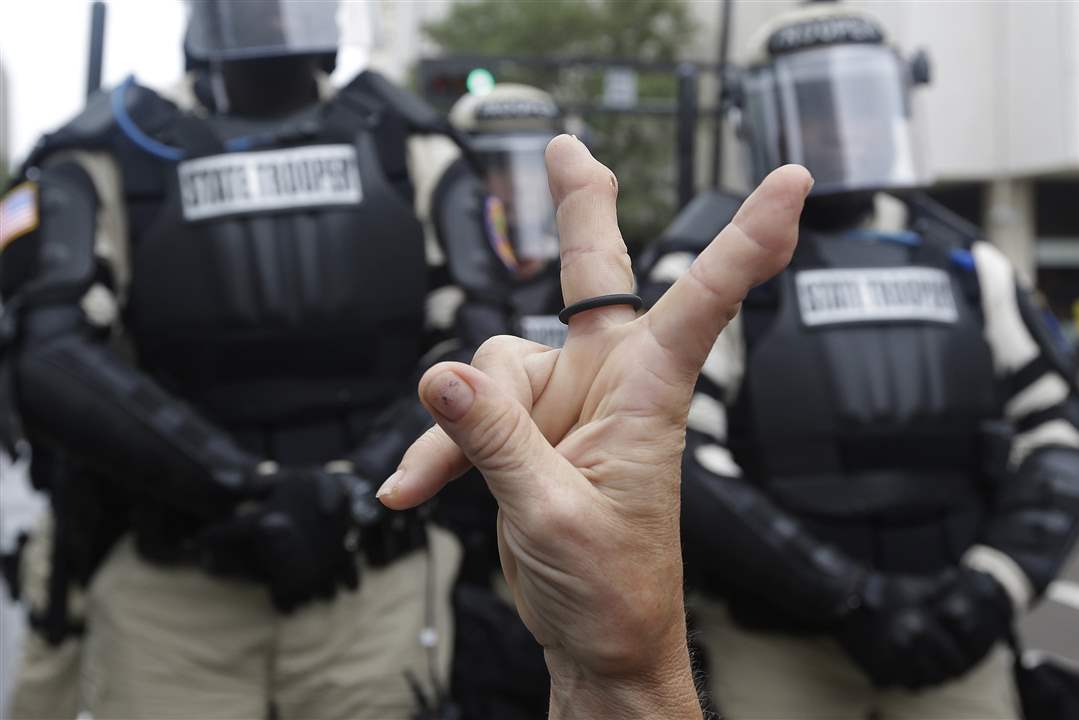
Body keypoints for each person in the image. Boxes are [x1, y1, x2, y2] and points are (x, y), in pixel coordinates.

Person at [0, 1, 509, 716]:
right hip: (174, 593)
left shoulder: (411, 143)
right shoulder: (107, 148)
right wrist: (241, 488)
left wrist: (355, 489)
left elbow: (483, 344)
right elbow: (50, 355)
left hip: (369, 587)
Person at [639, 5, 1079, 719]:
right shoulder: (709, 270)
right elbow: (672, 454)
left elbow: (1057, 437)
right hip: (779, 647)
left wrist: (990, 590)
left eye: (865, 104)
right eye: (814, 107)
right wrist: (845, 597)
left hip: (956, 638)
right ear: (759, 121)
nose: (844, 129)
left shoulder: (969, 265)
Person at [379, 133, 814, 719]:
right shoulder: (456, 287)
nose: (518, 192)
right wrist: (628, 675)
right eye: (497, 173)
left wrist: (628, 672)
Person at [442, 83, 566, 719]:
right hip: (472, 553)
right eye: (498, 170)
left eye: (533, 168)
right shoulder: (439, 290)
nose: (518, 189)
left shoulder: (604, 285)